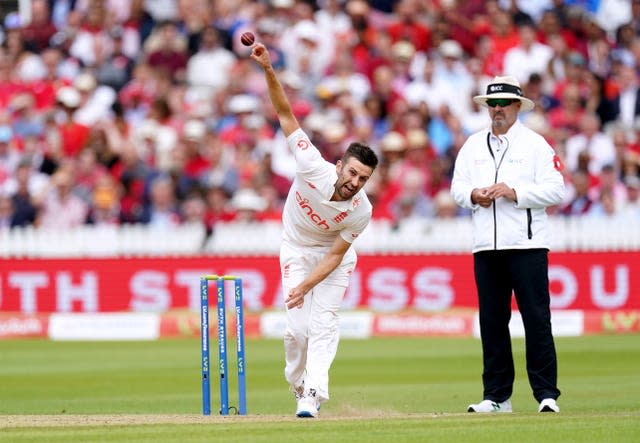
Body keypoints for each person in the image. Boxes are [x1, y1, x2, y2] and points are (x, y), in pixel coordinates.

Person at [250, 42, 379, 418]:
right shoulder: (311, 164)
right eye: (352, 172)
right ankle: (297, 384)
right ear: (340, 166)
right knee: (296, 333)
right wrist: (269, 69)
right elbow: (284, 113)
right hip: (295, 247)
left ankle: (312, 393)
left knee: (323, 323)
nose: (355, 182)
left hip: (331, 260)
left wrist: (306, 286)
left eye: (363, 178)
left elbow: (336, 255)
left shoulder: (361, 211)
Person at [450, 76, 565, 413]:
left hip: (527, 245)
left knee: (536, 320)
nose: (497, 110)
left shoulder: (536, 144)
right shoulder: (472, 145)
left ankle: (546, 394)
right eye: (492, 104)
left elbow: (557, 189)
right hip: (486, 246)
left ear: (518, 106)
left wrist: (515, 193)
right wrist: (475, 195)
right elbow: (458, 188)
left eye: (503, 104)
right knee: (492, 322)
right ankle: (497, 397)